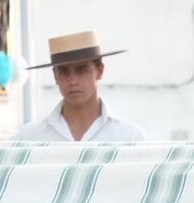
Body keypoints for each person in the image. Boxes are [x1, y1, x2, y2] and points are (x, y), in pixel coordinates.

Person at [13, 31, 146, 143]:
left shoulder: (129, 137)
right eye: (63, 71)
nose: (73, 81)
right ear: (55, 75)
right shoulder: (28, 138)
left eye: (82, 70)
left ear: (100, 71)